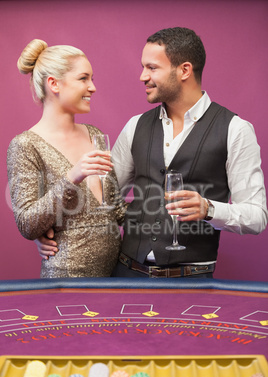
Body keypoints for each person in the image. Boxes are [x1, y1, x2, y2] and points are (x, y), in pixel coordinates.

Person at [35, 28, 267, 279]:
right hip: (126, 275)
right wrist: (52, 233)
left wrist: (209, 209)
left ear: (184, 70)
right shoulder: (135, 126)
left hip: (192, 282)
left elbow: (257, 216)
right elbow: (102, 201)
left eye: (152, 68)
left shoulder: (236, 130)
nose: (142, 76)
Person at [7, 39, 125, 278]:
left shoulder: (94, 135)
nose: (92, 87)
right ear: (54, 84)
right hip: (66, 283)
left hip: (115, 278)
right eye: (83, 78)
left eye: (91, 79)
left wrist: (166, 210)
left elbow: (116, 210)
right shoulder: (25, 145)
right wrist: (72, 176)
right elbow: (28, 224)